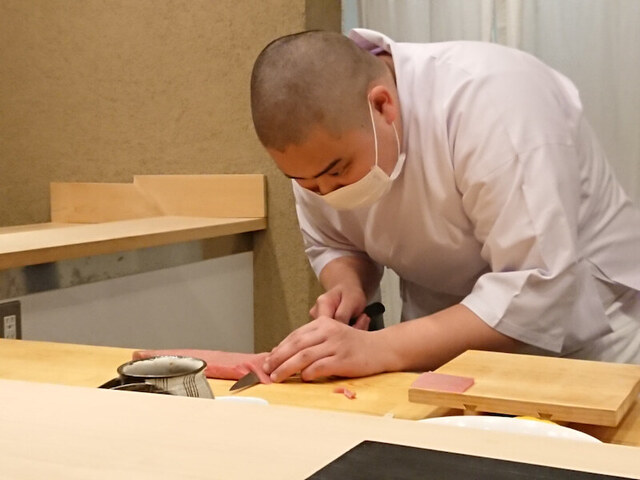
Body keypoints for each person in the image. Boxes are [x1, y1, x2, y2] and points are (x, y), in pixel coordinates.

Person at [250, 28, 640, 383]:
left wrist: (378, 348)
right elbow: (334, 241)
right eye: (306, 183)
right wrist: (347, 285)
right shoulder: (319, 152)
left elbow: (535, 285)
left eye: (338, 172)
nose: (327, 192)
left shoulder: (489, 99)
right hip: (439, 346)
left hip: (591, 337)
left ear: (383, 106)